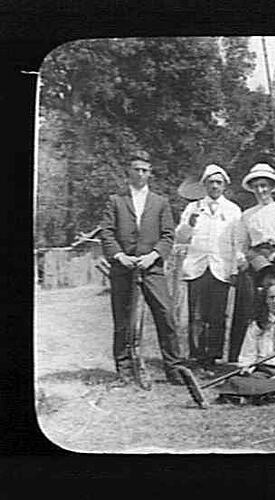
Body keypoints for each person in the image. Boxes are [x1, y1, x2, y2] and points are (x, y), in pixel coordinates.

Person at [99, 149, 183, 387]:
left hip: (151, 267)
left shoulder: (160, 202)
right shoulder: (115, 201)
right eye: (136, 169)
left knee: (166, 314)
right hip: (123, 268)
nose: (140, 174)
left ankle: (174, 368)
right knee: (123, 319)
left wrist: (153, 255)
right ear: (129, 171)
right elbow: (107, 232)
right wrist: (119, 256)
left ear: (150, 173)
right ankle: (124, 369)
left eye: (144, 170)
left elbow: (168, 235)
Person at [175, 164, 242, 365]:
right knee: (196, 314)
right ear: (204, 185)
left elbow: (237, 241)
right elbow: (181, 237)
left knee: (217, 315)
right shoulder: (193, 208)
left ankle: (213, 356)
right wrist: (190, 224)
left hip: (220, 267)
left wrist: (234, 268)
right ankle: (196, 355)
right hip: (197, 267)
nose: (214, 186)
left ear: (224, 186)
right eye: (211, 182)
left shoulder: (233, 210)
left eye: (218, 182)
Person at [228, 163, 275, 362]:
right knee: (251, 304)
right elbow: (241, 243)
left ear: (272, 187)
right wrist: (242, 260)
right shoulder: (247, 215)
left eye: (264, 185)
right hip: (257, 260)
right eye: (256, 186)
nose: (261, 190)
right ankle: (244, 355)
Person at [214, 279, 275, 403]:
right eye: (271, 298)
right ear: (265, 300)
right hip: (263, 371)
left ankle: (260, 394)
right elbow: (248, 352)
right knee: (235, 380)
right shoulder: (257, 323)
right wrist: (246, 367)